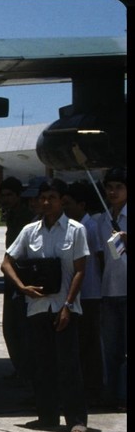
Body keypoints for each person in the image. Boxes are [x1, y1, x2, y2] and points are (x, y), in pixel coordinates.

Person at [1, 179, 90, 432]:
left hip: (64, 307)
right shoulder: (30, 231)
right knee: (41, 365)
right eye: (43, 198)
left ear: (62, 199)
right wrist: (22, 287)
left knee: (69, 365)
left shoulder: (75, 230)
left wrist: (67, 305)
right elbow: (7, 262)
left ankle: (76, 419)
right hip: (37, 308)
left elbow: (80, 270)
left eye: (52, 196)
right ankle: (47, 416)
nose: (47, 202)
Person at [61, 182, 104, 401]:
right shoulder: (72, 226)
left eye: (68, 204)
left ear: (82, 205)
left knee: (90, 344)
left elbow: (99, 258)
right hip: (77, 294)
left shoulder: (90, 227)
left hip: (90, 294)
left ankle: (94, 389)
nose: (64, 208)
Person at [96, 166, 126, 411]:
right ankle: (111, 395)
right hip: (109, 291)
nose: (113, 192)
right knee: (111, 349)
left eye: (119, 187)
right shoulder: (103, 219)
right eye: (109, 188)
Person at [0, 176, 35, 384]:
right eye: (3, 195)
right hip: (11, 278)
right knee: (10, 328)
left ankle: (25, 371)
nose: (5, 199)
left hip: (21, 278)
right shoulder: (12, 215)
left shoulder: (26, 217)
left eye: (9, 195)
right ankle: (20, 369)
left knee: (20, 329)